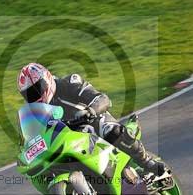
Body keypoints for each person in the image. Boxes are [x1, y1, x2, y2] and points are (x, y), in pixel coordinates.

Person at [17, 63, 168, 176]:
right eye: (29, 94)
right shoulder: (34, 112)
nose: (34, 95)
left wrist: (90, 111)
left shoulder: (69, 83)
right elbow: (31, 135)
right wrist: (25, 150)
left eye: (37, 88)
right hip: (67, 138)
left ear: (47, 79)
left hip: (91, 122)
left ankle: (146, 161)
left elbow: (102, 99)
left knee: (109, 129)